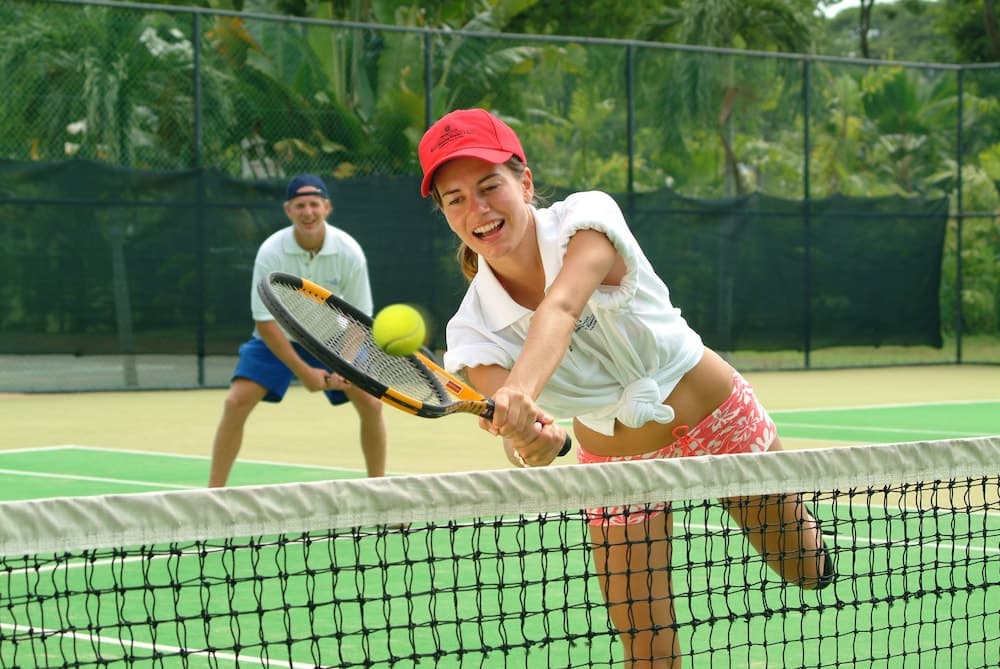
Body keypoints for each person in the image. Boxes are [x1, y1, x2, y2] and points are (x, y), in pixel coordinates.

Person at [418, 109, 835, 668]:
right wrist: (530, 439)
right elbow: (516, 424)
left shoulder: (586, 219)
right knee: (645, 646)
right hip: (617, 467)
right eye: (456, 199)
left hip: (717, 416)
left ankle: (809, 548)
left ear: (525, 183)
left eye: (490, 186)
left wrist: (521, 391)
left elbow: (563, 306)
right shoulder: (472, 333)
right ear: (446, 214)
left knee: (804, 570)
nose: (478, 208)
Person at [208, 174, 388, 488]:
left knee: (372, 404)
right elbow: (264, 321)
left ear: (327, 208)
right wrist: (304, 372)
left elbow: (359, 319)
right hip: (278, 337)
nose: (308, 212)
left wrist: (343, 365)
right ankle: (213, 494)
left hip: (335, 339)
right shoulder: (271, 252)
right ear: (288, 210)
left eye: (314, 204)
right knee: (236, 402)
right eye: (300, 205)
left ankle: (378, 490)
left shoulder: (349, 252)